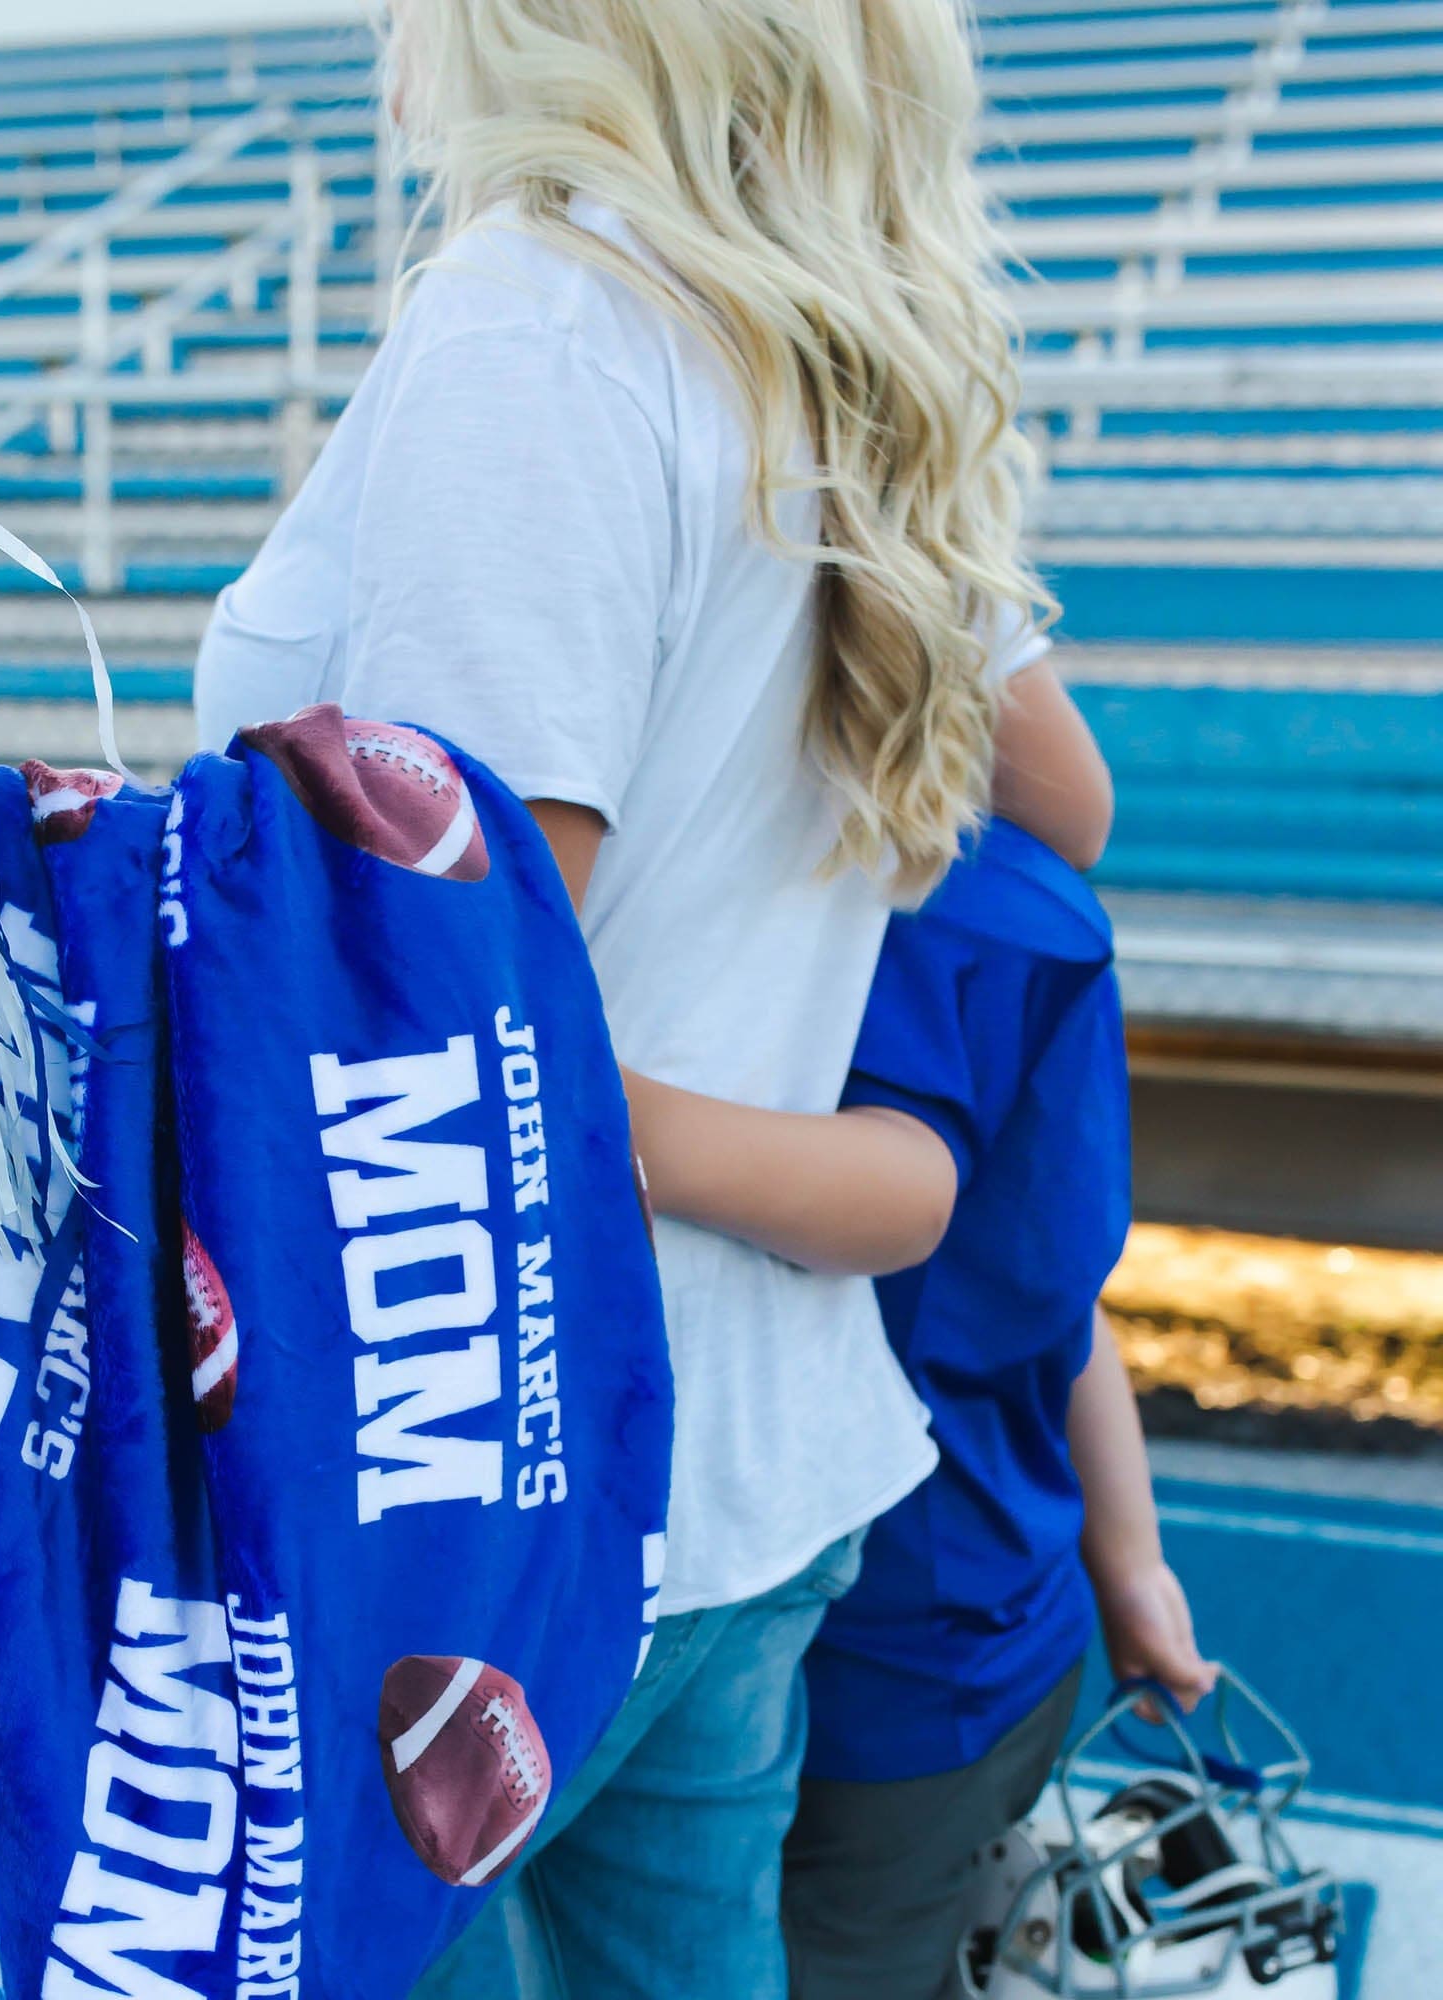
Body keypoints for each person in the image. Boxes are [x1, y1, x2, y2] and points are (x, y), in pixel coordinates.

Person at [195, 1, 1112, 1992]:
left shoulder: (542, 324)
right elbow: (1059, 800)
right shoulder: (814, 356)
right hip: (748, 1463)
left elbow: (448, 1014)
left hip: (499, 1488)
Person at [782, 817, 1215, 2000]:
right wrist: (1130, 1567)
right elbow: (1055, 1303)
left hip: (873, 1675)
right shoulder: (1030, 907)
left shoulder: (781, 930)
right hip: (1003, 1624)